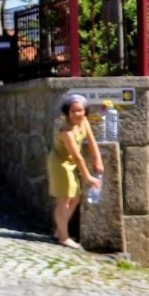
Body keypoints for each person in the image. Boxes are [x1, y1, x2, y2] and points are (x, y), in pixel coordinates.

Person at [48, 92, 103, 250]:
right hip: (60, 164)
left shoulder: (84, 121)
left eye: (80, 110)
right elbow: (78, 157)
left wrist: (97, 159)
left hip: (71, 163)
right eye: (73, 111)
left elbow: (92, 141)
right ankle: (64, 238)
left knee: (76, 197)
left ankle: (60, 230)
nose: (77, 114)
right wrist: (88, 177)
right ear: (67, 112)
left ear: (85, 111)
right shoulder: (66, 131)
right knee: (64, 199)